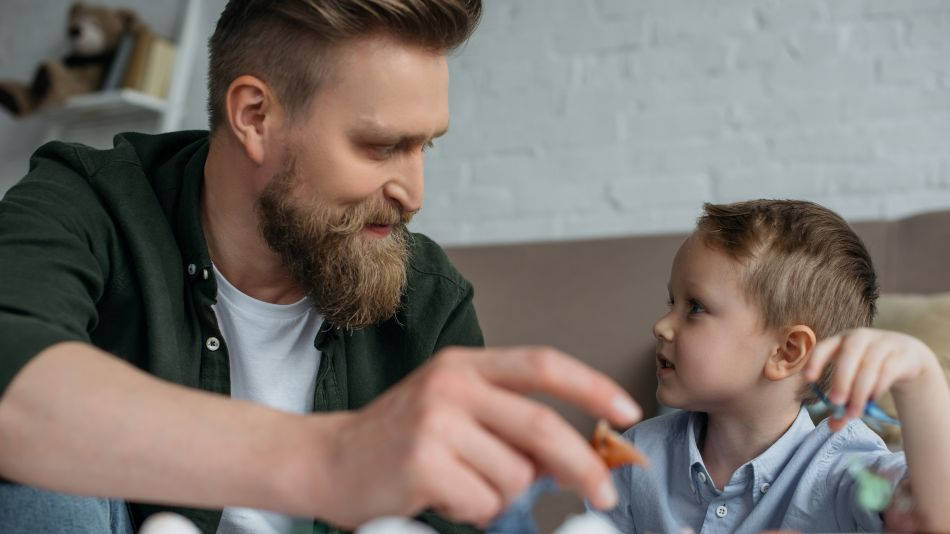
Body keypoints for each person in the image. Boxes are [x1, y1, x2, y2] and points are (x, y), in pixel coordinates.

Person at [0, 2, 644, 533]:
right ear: (255, 116)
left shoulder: (428, 297)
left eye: (426, 147)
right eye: (381, 146)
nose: (414, 193)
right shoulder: (87, 201)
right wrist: (331, 459)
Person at [603, 200, 950, 532]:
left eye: (695, 307)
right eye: (671, 302)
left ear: (786, 352)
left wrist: (921, 379)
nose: (661, 326)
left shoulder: (843, 465)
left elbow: (936, 517)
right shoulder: (637, 455)